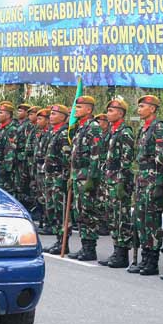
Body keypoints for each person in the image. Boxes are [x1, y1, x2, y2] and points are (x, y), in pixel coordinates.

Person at [132, 95, 163, 276]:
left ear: (152, 109)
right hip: (143, 178)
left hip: (153, 179)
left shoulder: (159, 127)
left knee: (151, 220)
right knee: (141, 219)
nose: (139, 109)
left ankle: (152, 260)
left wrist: (159, 183)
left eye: (142, 106)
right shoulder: (144, 128)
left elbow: (161, 158)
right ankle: (145, 256)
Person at [98, 98, 136, 268]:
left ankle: (122, 254)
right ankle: (116, 250)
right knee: (113, 216)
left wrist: (122, 181)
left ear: (120, 113)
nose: (108, 113)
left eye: (112, 110)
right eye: (108, 110)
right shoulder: (111, 131)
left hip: (119, 181)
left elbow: (126, 159)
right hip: (110, 179)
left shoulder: (125, 132)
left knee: (121, 217)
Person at [66, 95, 103, 261]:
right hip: (78, 176)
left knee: (88, 212)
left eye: (79, 107)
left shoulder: (93, 128)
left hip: (87, 177)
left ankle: (90, 248)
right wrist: (72, 174)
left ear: (89, 109)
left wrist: (91, 179)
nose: (76, 110)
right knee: (79, 211)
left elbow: (96, 156)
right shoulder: (81, 128)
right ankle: (84, 245)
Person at [42, 104, 71, 253]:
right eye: (51, 113)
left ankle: (63, 242)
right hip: (50, 177)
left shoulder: (64, 133)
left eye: (54, 113)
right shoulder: (53, 132)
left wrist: (64, 177)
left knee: (60, 209)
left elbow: (67, 158)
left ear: (63, 116)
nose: (51, 116)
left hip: (59, 177)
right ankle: (58, 241)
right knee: (52, 209)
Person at [0, 101, 18, 192]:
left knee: (6, 190)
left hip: (4, 168)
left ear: (8, 115)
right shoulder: (2, 128)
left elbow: (10, 151)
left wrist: (5, 169)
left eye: (1, 113)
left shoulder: (11, 129)